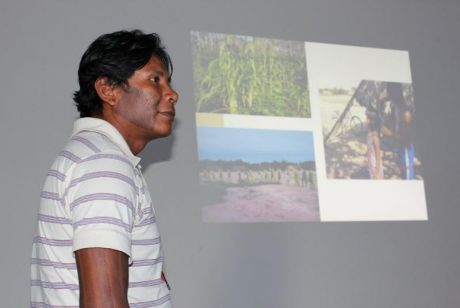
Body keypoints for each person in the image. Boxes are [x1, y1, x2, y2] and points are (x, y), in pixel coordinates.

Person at [31, 30, 178, 307]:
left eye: (168, 82)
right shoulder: (104, 165)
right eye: (155, 80)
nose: (172, 94)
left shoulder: (94, 156)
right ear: (107, 89)